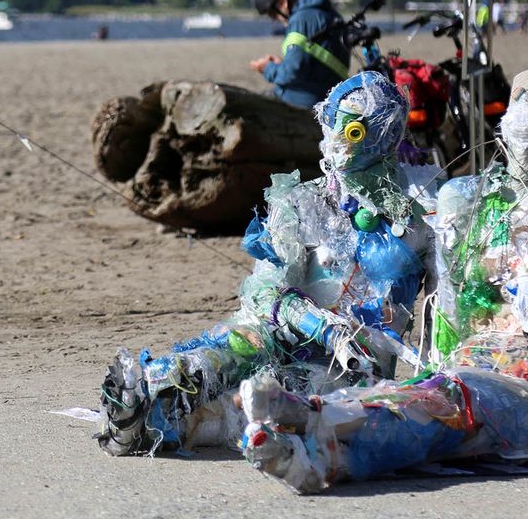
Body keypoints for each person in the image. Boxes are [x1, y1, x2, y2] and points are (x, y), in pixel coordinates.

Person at [239, 69, 528, 493]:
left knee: (442, 409)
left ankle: (318, 434)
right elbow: (446, 301)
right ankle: (317, 436)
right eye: (524, 103)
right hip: (466, 364)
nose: (526, 116)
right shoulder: (467, 195)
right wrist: (436, 365)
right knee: (430, 403)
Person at [98, 72, 442, 456]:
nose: (340, 144)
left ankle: (169, 423)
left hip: (351, 371)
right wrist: (321, 327)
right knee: (230, 352)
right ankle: (146, 393)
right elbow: (265, 290)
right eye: (333, 125)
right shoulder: (302, 202)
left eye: (356, 132)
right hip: (282, 333)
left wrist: (440, 379)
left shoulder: (418, 221)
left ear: (384, 135)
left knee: (264, 404)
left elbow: (441, 313)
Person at [248, 0, 351, 109]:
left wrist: (267, 68)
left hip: (308, 100)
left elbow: (293, 72)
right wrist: (281, 64)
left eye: (273, 14)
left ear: (283, 3)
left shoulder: (301, 20)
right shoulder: (325, 13)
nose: (274, 19)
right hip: (329, 93)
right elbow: (311, 63)